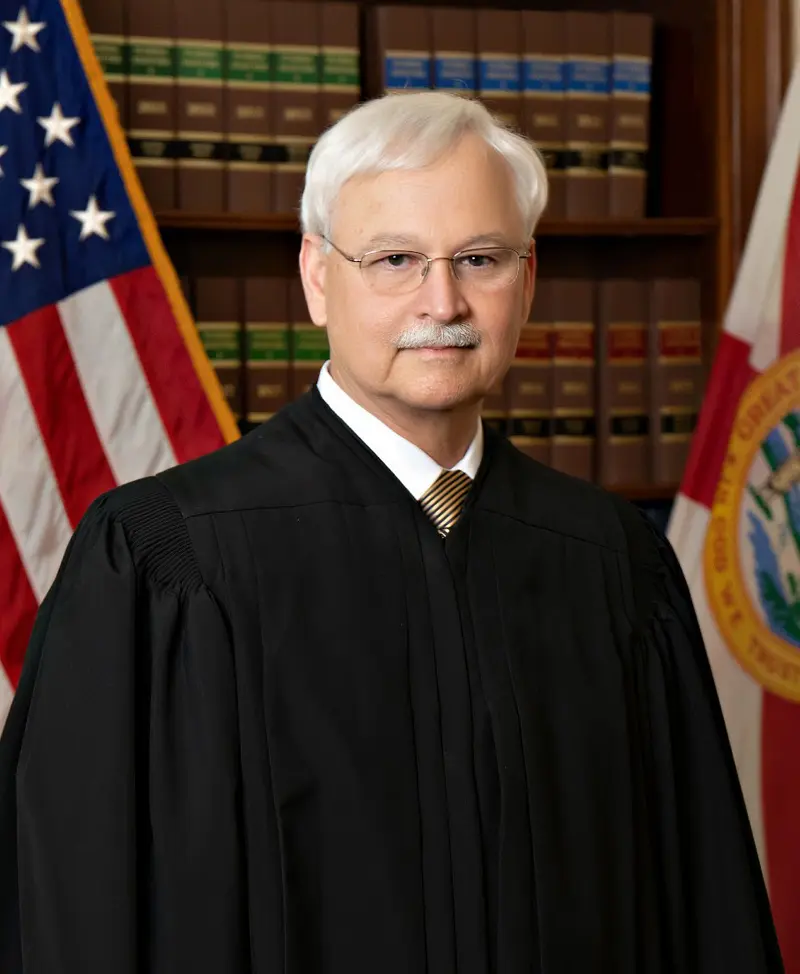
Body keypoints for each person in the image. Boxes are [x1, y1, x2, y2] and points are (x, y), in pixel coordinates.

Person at [0, 91, 784, 973]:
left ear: (527, 282)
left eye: (479, 258)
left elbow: (700, 907)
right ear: (316, 277)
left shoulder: (614, 566)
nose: (441, 300)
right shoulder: (161, 560)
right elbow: (66, 914)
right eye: (395, 258)